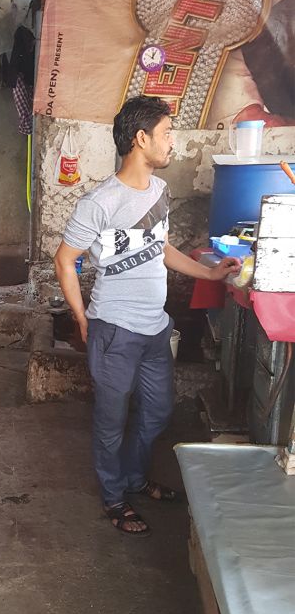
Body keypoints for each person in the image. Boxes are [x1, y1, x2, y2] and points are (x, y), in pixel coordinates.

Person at [54, 95, 240, 538]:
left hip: (156, 329)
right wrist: (82, 319)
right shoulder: (100, 202)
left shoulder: (159, 191)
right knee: (111, 420)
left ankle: (135, 478)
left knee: (157, 413)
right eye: (167, 133)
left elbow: (161, 249)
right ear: (141, 139)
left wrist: (210, 273)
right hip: (114, 330)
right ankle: (115, 497)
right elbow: (66, 261)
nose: (173, 142)